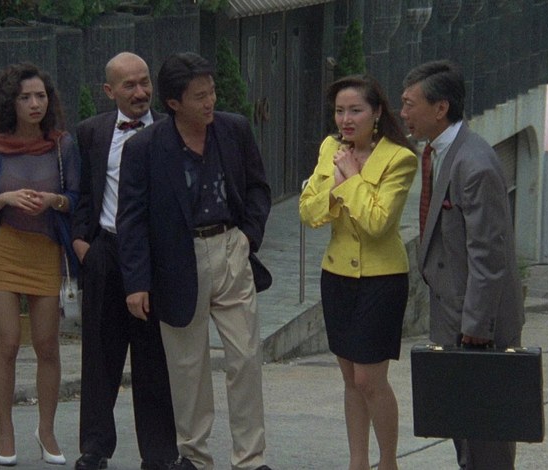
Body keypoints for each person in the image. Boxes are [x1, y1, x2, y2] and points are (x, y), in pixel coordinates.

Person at [116, 51, 273, 470]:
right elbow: (131, 219)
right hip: (177, 259)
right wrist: (136, 282)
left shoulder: (234, 129)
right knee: (187, 365)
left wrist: (248, 237)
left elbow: (258, 188)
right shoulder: (145, 148)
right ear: (174, 102)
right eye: (199, 96)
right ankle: (195, 455)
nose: (210, 102)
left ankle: (251, 457)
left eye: (212, 92)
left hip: (230, 246)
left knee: (245, 356)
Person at [400, 60, 525, 469]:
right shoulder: (440, 153)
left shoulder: (475, 163)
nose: (403, 113)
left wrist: (475, 327)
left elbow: (489, 255)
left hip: (478, 327)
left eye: (410, 104)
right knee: (464, 434)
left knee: (486, 440)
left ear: (441, 108)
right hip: (452, 315)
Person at [299, 75, 418, 470]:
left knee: (370, 379)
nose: (346, 119)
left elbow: (377, 223)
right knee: (350, 379)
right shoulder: (330, 148)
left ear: (377, 112)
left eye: (355, 110)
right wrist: (335, 188)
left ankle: (388, 462)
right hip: (336, 276)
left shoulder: (399, 158)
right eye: (339, 111)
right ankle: (358, 462)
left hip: (381, 280)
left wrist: (350, 178)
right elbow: (309, 212)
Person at [71, 52, 178, 470]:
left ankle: (159, 454)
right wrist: (83, 244)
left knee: (154, 359)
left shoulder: (171, 131)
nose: (140, 92)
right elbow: (83, 191)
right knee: (100, 356)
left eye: (144, 82)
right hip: (107, 253)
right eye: (129, 85)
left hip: (155, 258)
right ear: (109, 90)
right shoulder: (92, 132)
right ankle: (94, 448)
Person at [0, 62, 79, 466]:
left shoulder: (62, 146)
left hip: (46, 249)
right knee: (9, 341)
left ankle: (46, 430)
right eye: (25, 97)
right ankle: (5, 430)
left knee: (47, 343)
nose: (35, 104)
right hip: (4, 249)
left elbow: (76, 198)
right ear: (10, 103)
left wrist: (53, 201)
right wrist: (6, 199)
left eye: (41, 96)